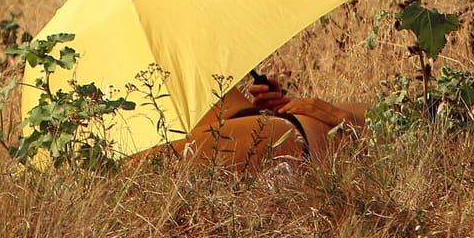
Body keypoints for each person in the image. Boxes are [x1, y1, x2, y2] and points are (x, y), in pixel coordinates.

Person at [152, 71, 365, 172]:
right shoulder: (388, 111)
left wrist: (343, 119)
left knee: (138, 166)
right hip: (276, 129)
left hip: (285, 136)